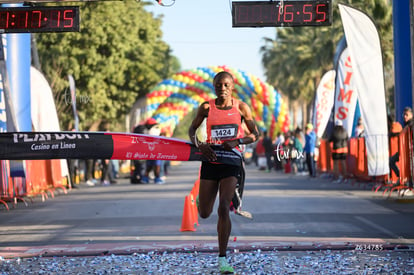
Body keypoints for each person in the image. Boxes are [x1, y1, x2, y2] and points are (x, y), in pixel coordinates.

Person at [188, 71, 259, 274]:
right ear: (214, 86)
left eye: (226, 85)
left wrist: (238, 141)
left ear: (232, 86)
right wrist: (200, 145)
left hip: (232, 162)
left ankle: (223, 258)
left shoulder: (241, 107)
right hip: (211, 160)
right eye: (219, 85)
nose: (223, 88)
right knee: (204, 213)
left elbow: (256, 134)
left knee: (223, 209)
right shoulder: (206, 107)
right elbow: (192, 131)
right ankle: (202, 201)